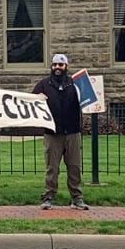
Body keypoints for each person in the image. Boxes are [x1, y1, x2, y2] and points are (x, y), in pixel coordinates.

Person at [33, 53, 88, 210]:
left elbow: (88, 101)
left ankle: (77, 198)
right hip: (52, 133)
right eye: (55, 64)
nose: (57, 67)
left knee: (75, 167)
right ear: (51, 66)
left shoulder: (75, 84)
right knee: (52, 168)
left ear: (66, 67)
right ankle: (48, 197)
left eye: (61, 65)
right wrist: (38, 98)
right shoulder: (43, 85)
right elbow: (32, 102)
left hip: (72, 132)